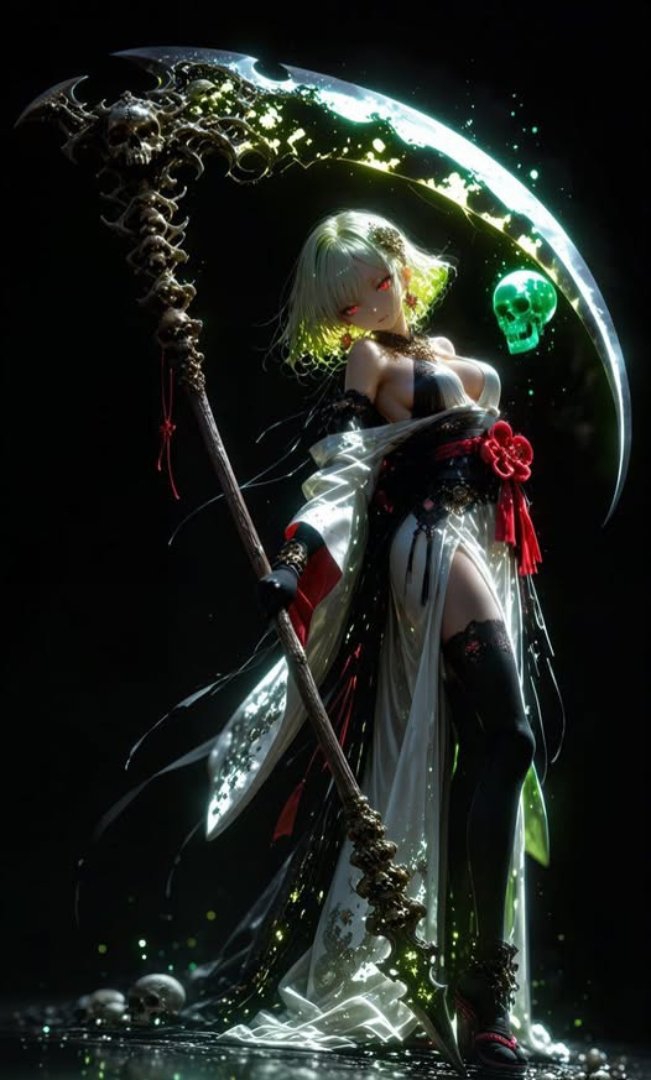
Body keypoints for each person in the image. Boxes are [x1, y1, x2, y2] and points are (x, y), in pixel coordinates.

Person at [189, 208, 568, 1072]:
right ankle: (482, 993)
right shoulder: (370, 358)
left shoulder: (439, 351)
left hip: (482, 548)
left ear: (394, 263)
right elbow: (344, 468)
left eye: (364, 281)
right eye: (340, 297)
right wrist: (293, 562)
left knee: (490, 750)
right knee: (510, 737)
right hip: (428, 542)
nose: (355, 305)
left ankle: (479, 992)